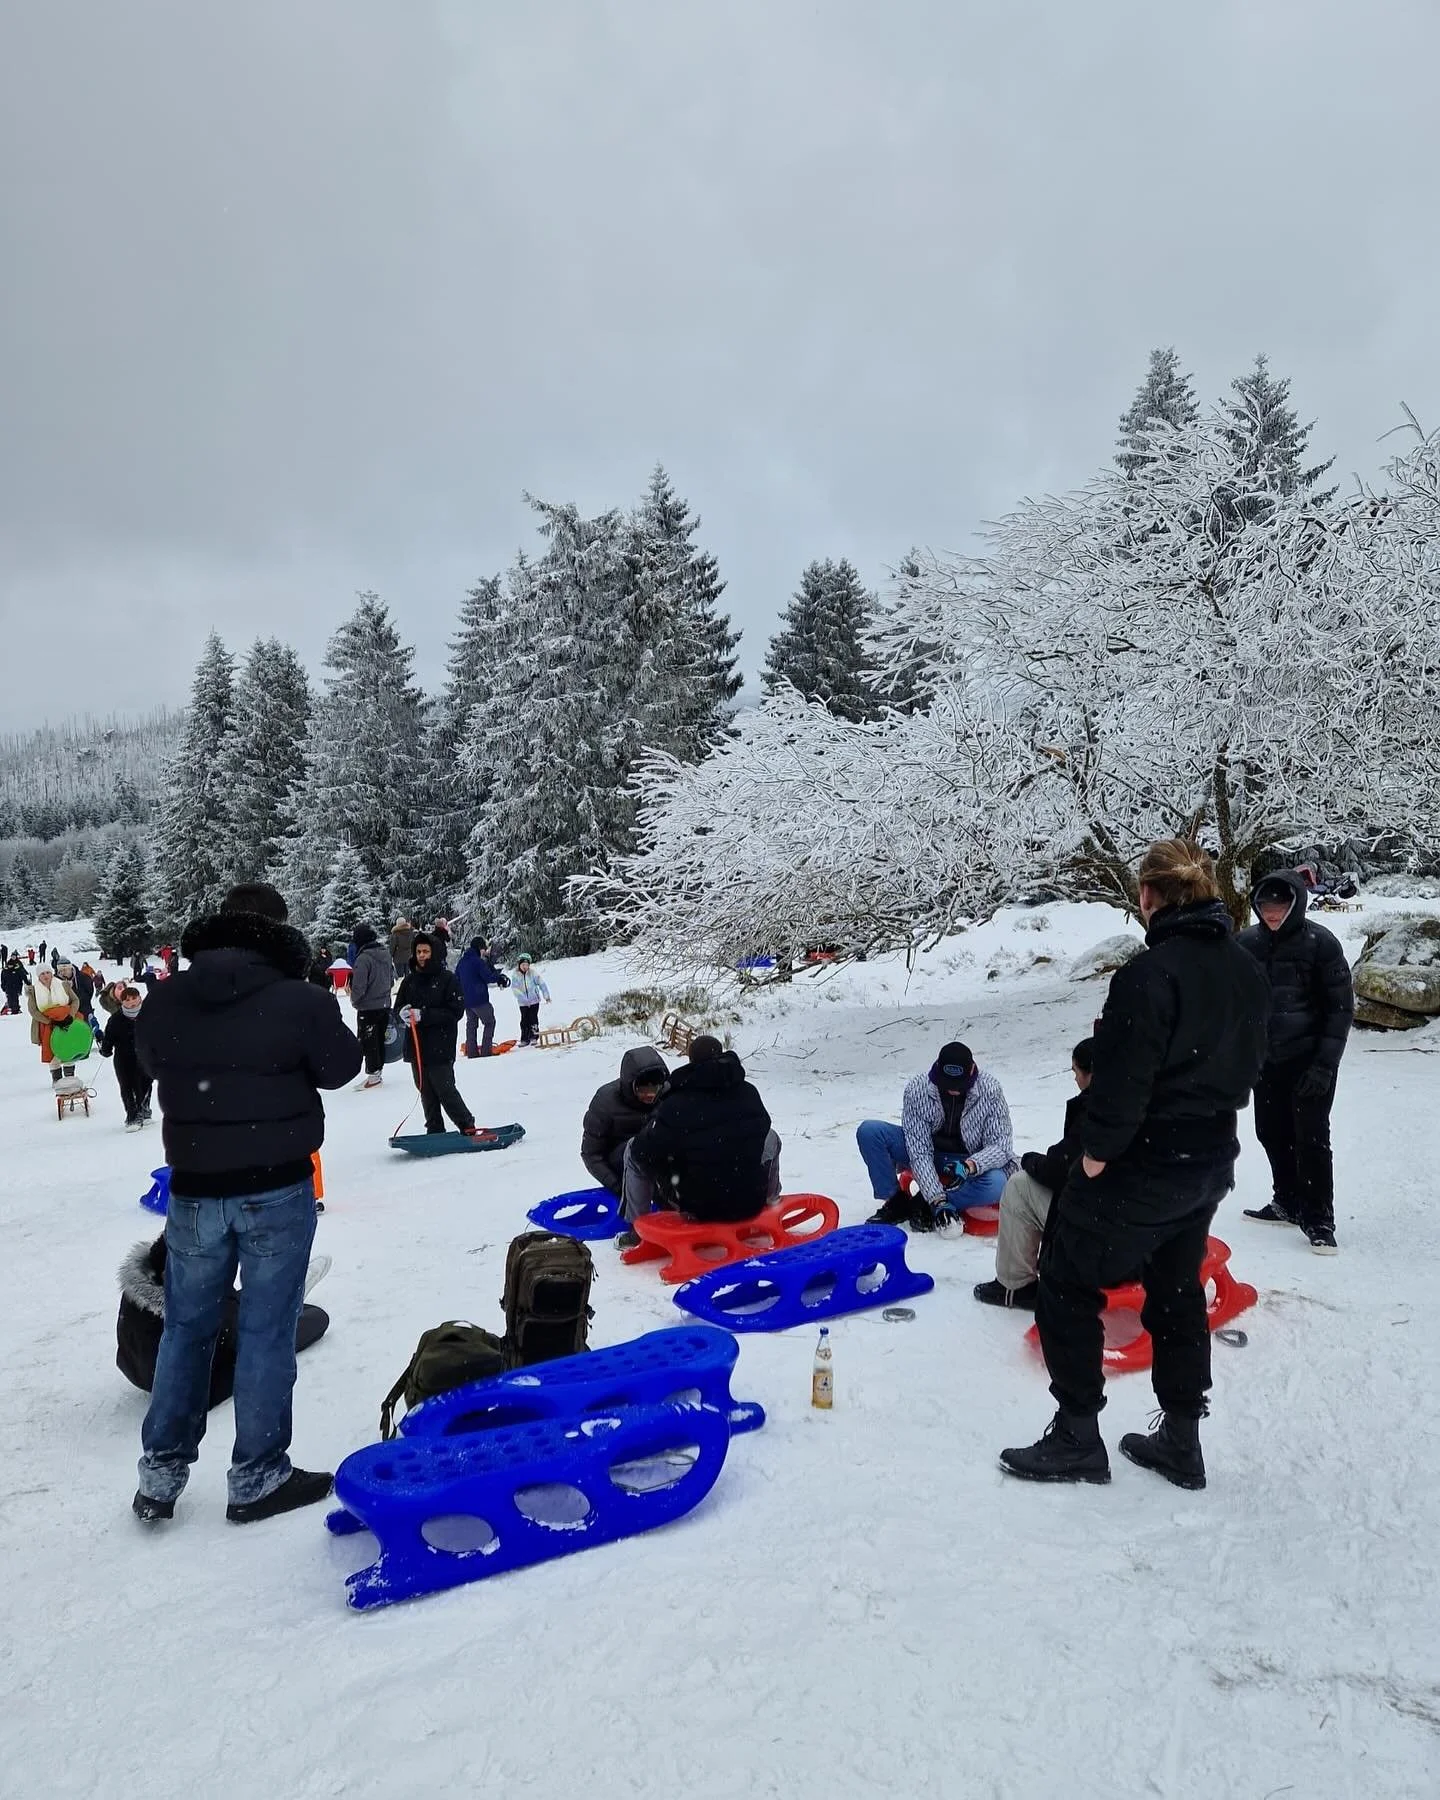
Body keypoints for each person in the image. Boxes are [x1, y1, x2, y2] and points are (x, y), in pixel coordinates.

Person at [1000, 840, 1269, 1491]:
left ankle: (1077, 1435)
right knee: (1175, 1292)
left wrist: (1094, 1155)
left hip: (1142, 1167)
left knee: (1065, 1281)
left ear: (1148, 897)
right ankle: (1181, 1437)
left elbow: (1119, 1088)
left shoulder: (1149, 975)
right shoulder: (1246, 968)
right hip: (1206, 1162)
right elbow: (1252, 1063)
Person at [130, 881, 362, 1526]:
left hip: (196, 1192)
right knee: (265, 1331)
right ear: (279, 931)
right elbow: (342, 1066)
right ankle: (257, 1476)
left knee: (185, 1329)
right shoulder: (300, 998)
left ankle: (160, 1475)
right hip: (276, 1188)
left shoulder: (169, 997)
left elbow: (149, 1060)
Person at [1236, 870, 1353, 1254]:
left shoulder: (1321, 944)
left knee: (1312, 1139)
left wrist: (1324, 1066)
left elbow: (1339, 1009)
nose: (1273, 912)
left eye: (1281, 904)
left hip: (1311, 1060)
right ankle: (1287, 1200)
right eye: (1266, 904)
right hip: (1265, 1062)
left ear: (1296, 903)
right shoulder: (1246, 944)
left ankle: (1319, 1219)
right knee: (1271, 1132)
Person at [117, 1235, 330, 1408]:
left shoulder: (134, 1295)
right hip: (200, 1387)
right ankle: (288, 1295)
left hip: (139, 1371)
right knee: (311, 1320)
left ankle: (278, 1294)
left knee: (235, 1301)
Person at [618, 1036, 780, 1247]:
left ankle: (637, 1230)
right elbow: (760, 1128)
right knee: (771, 1137)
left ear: (690, 1060)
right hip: (750, 1202)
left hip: (698, 1209)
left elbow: (644, 1151)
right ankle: (771, 1202)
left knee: (633, 1148)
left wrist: (668, 1166)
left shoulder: (677, 1103)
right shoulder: (748, 1092)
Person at [974, 1038, 1094, 1310]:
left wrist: (1031, 1160)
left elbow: (1063, 1170)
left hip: (1103, 1230)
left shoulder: (1100, 1112)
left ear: (1092, 1073)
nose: (1074, 1078)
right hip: (1147, 1227)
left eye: (1075, 1071)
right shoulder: (1144, 1099)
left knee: (1019, 1186)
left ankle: (1015, 1286)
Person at [859, 1042, 1017, 1232]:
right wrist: (936, 1197)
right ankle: (895, 1202)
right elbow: (919, 1151)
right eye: (946, 1084)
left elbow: (1001, 1145)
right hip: (927, 1152)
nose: (953, 1090)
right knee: (870, 1132)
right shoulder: (917, 1088)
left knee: (997, 1183)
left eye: (959, 1086)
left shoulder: (990, 1090)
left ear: (972, 1071)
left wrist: (970, 1166)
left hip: (967, 1158)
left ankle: (924, 1204)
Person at [394, 931, 482, 1137]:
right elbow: (398, 1008)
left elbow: (456, 1011)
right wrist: (402, 1014)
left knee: (444, 1088)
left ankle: (466, 1124)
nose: (422, 955)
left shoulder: (447, 979)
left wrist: (424, 1015)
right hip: (416, 1046)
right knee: (424, 1089)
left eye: (425, 951)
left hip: (440, 1044)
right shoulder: (409, 981)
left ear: (433, 953)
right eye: (418, 952)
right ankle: (434, 1128)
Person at [580, 1047, 670, 1195]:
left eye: (655, 1088)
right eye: (642, 1090)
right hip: (620, 1164)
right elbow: (591, 1154)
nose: (650, 1095)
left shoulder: (667, 1095)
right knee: (636, 1146)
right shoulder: (605, 1103)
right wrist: (618, 1186)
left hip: (659, 1166)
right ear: (630, 1084)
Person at [348, 922, 395, 1090]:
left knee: (369, 1041)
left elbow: (358, 986)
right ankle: (377, 1071)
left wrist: (355, 1001)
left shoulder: (363, 958)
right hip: (384, 1004)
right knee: (379, 1039)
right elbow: (391, 979)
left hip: (367, 1007)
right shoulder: (385, 954)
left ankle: (374, 1075)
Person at [99, 986, 153, 1129]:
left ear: (140, 998)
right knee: (128, 1087)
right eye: (127, 1000)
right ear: (122, 1002)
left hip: (146, 1056)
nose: (131, 1002)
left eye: (134, 998)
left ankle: (144, 1109)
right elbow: (108, 1037)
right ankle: (132, 1117)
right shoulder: (116, 1019)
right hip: (124, 1058)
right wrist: (106, 1049)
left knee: (145, 1084)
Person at [27, 962, 82, 1086]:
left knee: (68, 1048)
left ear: (52, 973)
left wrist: (70, 1016)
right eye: (42, 974)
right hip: (47, 1026)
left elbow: (75, 1000)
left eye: (47, 972)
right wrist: (50, 1021)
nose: (46, 976)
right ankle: (57, 1080)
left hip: (66, 1022)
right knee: (52, 1052)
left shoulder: (63, 985)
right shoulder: (34, 991)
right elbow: (33, 1010)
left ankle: (70, 1078)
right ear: (38, 976)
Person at [455, 936, 510, 1057]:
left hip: (467, 1001)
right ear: (479, 948)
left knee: (471, 1026)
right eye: (484, 949)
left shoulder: (462, 962)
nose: (485, 951)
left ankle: (472, 1052)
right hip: (480, 999)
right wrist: (498, 975)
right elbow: (489, 977)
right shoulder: (478, 962)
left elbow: (456, 979)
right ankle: (486, 1051)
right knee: (490, 1022)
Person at [512, 955, 551, 1045]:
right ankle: (525, 1038)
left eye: (527, 965)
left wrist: (546, 996)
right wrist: (524, 1000)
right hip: (523, 1003)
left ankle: (534, 1036)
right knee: (524, 1020)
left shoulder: (533, 973)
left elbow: (542, 984)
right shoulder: (515, 975)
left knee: (533, 1018)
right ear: (519, 965)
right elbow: (515, 989)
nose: (525, 967)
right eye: (523, 965)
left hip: (534, 1001)